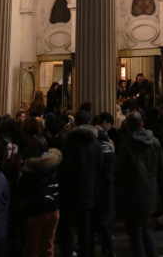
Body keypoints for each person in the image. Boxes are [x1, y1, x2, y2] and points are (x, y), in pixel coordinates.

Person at [114, 111, 163, 257]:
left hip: (132, 192)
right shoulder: (154, 141)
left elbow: (120, 171)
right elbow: (162, 166)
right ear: (142, 124)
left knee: (135, 232)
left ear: (127, 126)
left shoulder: (127, 144)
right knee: (145, 228)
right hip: (150, 190)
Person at [59, 110, 102, 257]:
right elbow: (100, 167)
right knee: (86, 225)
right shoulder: (95, 143)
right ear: (89, 123)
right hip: (90, 189)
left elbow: (65, 168)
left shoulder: (69, 142)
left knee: (66, 223)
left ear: (75, 123)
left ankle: (70, 250)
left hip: (71, 189)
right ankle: (87, 252)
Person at [17, 148, 62, 257]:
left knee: (33, 247)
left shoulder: (31, 174)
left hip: (37, 213)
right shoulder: (54, 169)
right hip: (54, 210)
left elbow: (21, 192)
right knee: (48, 246)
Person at [92, 121, 116, 257]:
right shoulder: (111, 153)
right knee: (106, 222)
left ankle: (108, 249)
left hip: (99, 189)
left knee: (101, 222)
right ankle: (109, 249)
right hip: (109, 189)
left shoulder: (98, 155)